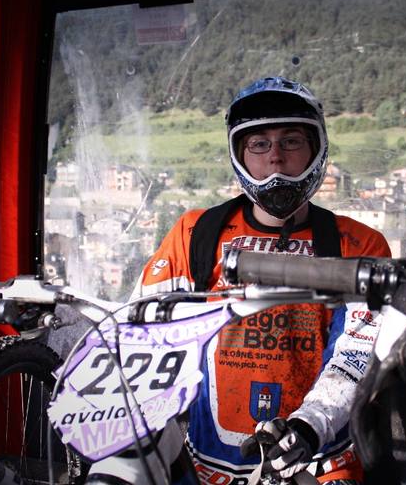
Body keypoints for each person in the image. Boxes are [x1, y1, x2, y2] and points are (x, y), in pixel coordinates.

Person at [132, 76, 391, 484]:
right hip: (208, 468)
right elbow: (139, 334)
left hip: (321, 463)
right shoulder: (195, 234)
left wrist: (309, 426)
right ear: (239, 153)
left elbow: (357, 354)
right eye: (259, 144)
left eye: (291, 141)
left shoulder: (358, 244)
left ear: (315, 149)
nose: (275, 158)